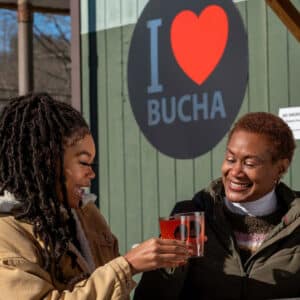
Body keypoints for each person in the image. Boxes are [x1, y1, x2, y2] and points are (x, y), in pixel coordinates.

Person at [0, 93, 190, 299]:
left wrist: (160, 259)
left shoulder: (87, 214)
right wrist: (127, 266)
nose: (92, 173)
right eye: (83, 162)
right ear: (46, 162)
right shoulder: (6, 234)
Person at [134, 112, 300, 300]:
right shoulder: (188, 217)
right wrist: (169, 267)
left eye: (250, 163)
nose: (235, 171)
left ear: (280, 167)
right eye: (230, 159)